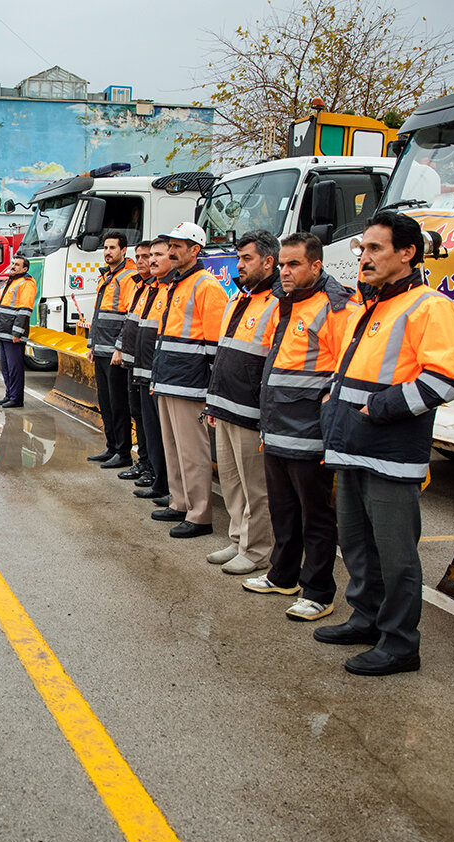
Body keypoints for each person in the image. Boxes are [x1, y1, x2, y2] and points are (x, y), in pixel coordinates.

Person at [316, 211, 454, 675]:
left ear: (407, 253)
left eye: (375, 248)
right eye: (361, 248)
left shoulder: (428, 306)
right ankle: (366, 619)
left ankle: (400, 643)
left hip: (390, 453)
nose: (363, 257)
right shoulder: (372, 304)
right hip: (352, 446)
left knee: (396, 554)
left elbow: (444, 381)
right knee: (358, 546)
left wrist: (377, 409)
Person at [240, 232, 358, 619]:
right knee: (283, 510)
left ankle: (319, 590)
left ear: (316, 266)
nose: (285, 271)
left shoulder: (336, 307)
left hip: (309, 431)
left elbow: (347, 369)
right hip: (277, 427)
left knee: (316, 516)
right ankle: (283, 575)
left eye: (294, 264)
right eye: (284, 264)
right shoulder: (286, 303)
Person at [202, 230, 280, 575]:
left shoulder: (278, 302)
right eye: (238, 258)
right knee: (232, 483)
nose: (239, 265)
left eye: (246, 258)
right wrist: (214, 404)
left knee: (255, 488)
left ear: (268, 261)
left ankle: (257, 549)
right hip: (226, 405)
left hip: (251, 411)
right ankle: (237, 539)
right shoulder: (239, 298)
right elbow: (225, 356)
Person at [150, 222, 226, 539]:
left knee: (193, 452)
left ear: (195, 250)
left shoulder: (207, 287)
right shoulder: (176, 284)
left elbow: (215, 346)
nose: (171, 251)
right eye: (170, 245)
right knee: (174, 448)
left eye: (178, 246)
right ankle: (180, 501)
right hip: (169, 378)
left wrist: (210, 390)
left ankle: (199, 514)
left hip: (190, 382)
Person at [86, 232, 137, 469]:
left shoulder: (128, 277)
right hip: (101, 349)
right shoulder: (106, 276)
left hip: (115, 354)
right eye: (105, 248)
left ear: (123, 250)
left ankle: (123, 452)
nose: (107, 252)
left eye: (112, 248)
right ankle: (111, 446)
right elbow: (97, 315)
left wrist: (119, 348)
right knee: (105, 403)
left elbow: (128, 317)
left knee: (118, 404)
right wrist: (92, 345)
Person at [127, 239, 173, 501]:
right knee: (148, 427)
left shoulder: (170, 289)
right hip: (142, 368)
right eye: (147, 255)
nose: (151, 260)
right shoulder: (148, 288)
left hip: (160, 374)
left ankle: (163, 481)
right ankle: (155, 476)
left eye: (157, 254)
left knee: (161, 431)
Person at [114, 242, 154, 484]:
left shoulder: (158, 289)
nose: (141, 261)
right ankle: (144, 462)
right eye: (137, 256)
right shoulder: (139, 288)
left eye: (147, 256)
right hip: (133, 364)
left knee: (150, 422)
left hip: (148, 367)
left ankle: (152, 469)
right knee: (137, 415)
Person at [0, 256, 37, 408]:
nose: (13, 266)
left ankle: (16, 398)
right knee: (5, 367)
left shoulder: (27, 283)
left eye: (17, 264)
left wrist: (17, 332)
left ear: (25, 269)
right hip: (5, 331)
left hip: (13, 333)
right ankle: (9, 394)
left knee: (14, 368)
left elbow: (25, 310)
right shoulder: (12, 281)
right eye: (13, 263)